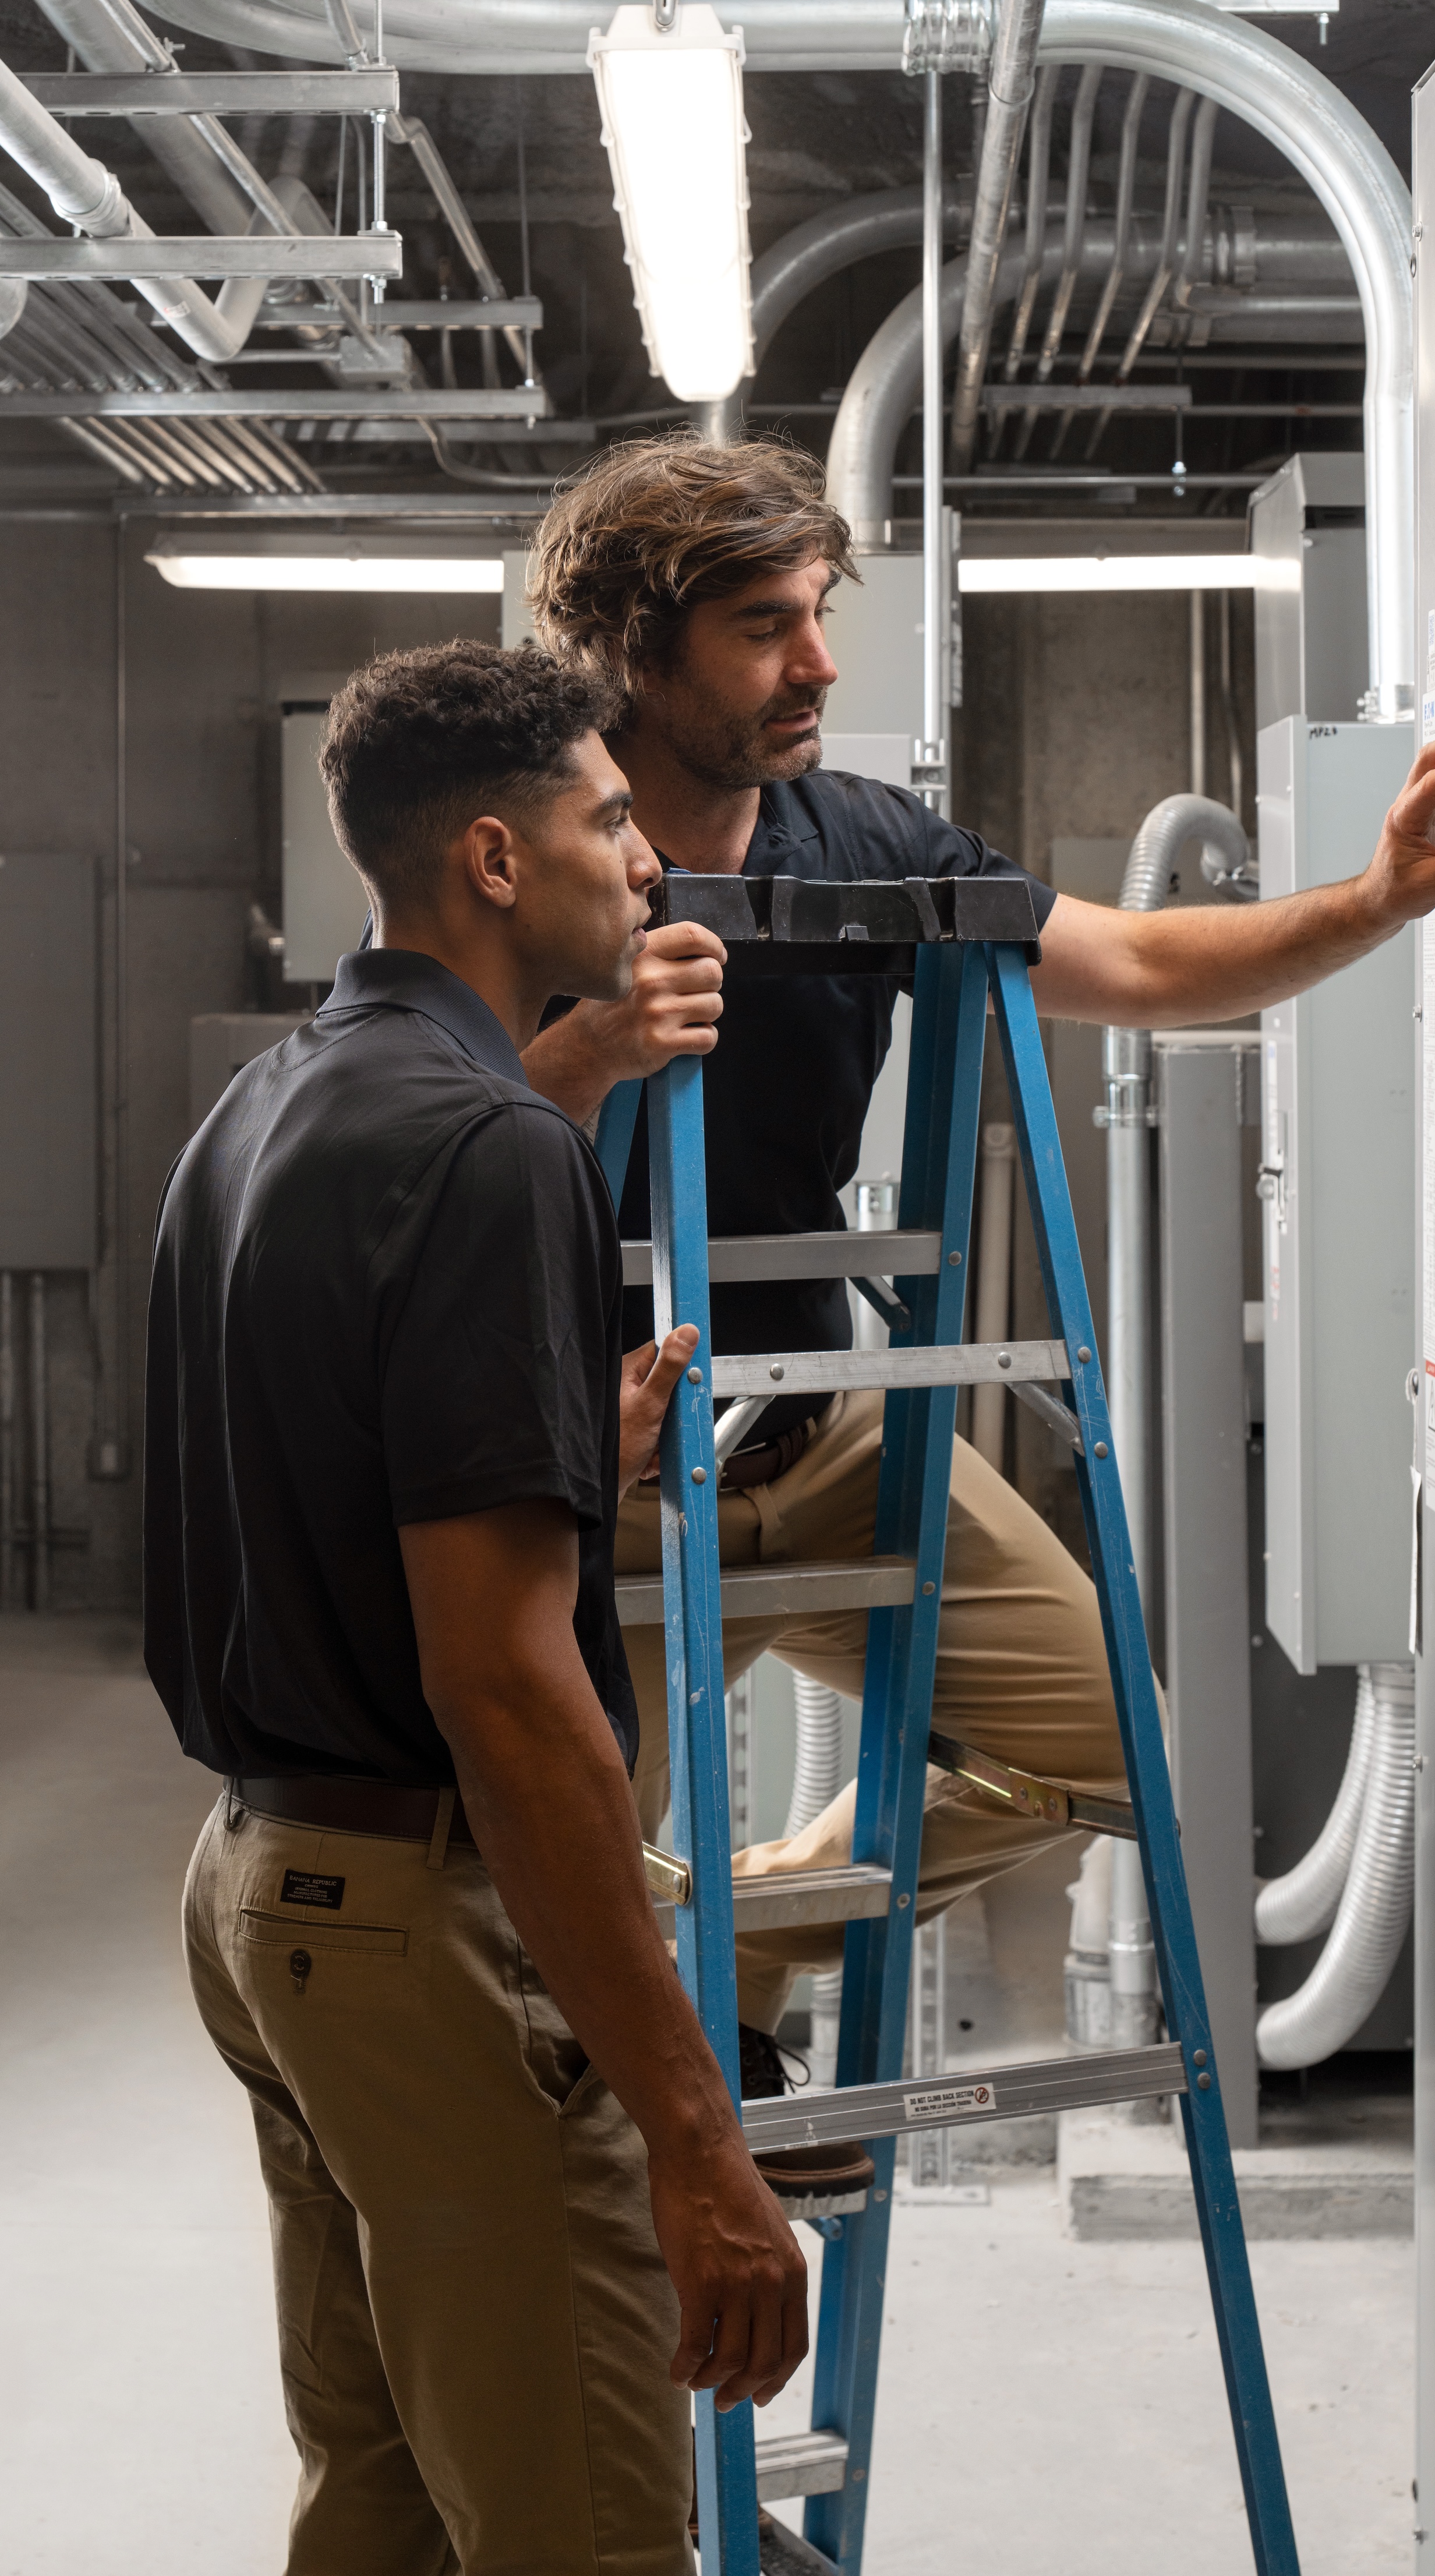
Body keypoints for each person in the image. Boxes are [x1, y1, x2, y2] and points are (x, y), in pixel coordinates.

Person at [516, 434, 1435, 2072]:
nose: (817, 661)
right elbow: (397, 1120)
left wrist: (1375, 901)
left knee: (1116, 1743)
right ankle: (641, 2093)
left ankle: (736, 1938)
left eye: (818, 613)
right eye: (765, 626)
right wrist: (588, 1048)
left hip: (811, 1422)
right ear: (632, 642)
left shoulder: (862, 839)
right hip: (582, 1451)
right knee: (535, 1902)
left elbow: (1133, 959)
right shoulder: (515, 850)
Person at [144, 640, 807, 2576]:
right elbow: (509, 1696)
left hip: (262, 1892)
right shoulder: (498, 1144)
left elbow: (302, 1481)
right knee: (582, 2529)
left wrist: (541, 1448)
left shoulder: (267, 1110)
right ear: (499, 862)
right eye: (614, 822)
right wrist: (696, 2132)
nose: (647, 865)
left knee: (386, 2507)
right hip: (423, 1931)